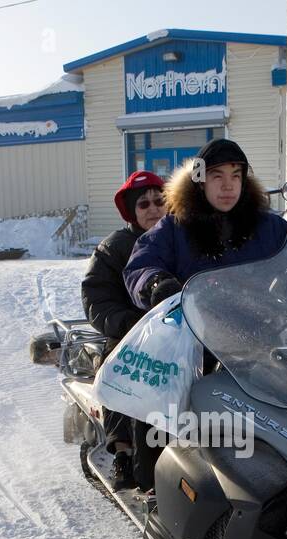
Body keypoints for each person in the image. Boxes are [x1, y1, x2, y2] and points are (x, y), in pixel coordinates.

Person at [123, 138, 287, 311]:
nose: (228, 186)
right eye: (217, 176)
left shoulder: (269, 226)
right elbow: (140, 266)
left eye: (235, 176)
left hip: (265, 329)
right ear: (201, 182)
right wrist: (156, 283)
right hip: (196, 332)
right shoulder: (174, 228)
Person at [80, 170, 166, 489]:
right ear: (131, 211)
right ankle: (123, 452)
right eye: (144, 204)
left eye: (159, 201)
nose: (153, 209)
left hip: (181, 331)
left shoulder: (182, 240)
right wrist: (128, 322)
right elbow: (96, 296)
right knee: (121, 369)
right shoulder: (114, 247)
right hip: (132, 332)